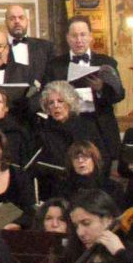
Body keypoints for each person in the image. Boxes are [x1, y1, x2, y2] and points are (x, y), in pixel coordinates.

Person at [50, 15, 126, 162]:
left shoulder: (107, 62)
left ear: (91, 37)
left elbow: (119, 95)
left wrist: (101, 88)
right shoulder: (55, 65)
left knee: (102, 179)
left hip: (100, 129)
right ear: (67, 38)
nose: (79, 40)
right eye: (74, 35)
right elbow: (47, 97)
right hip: (67, 130)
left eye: (83, 35)